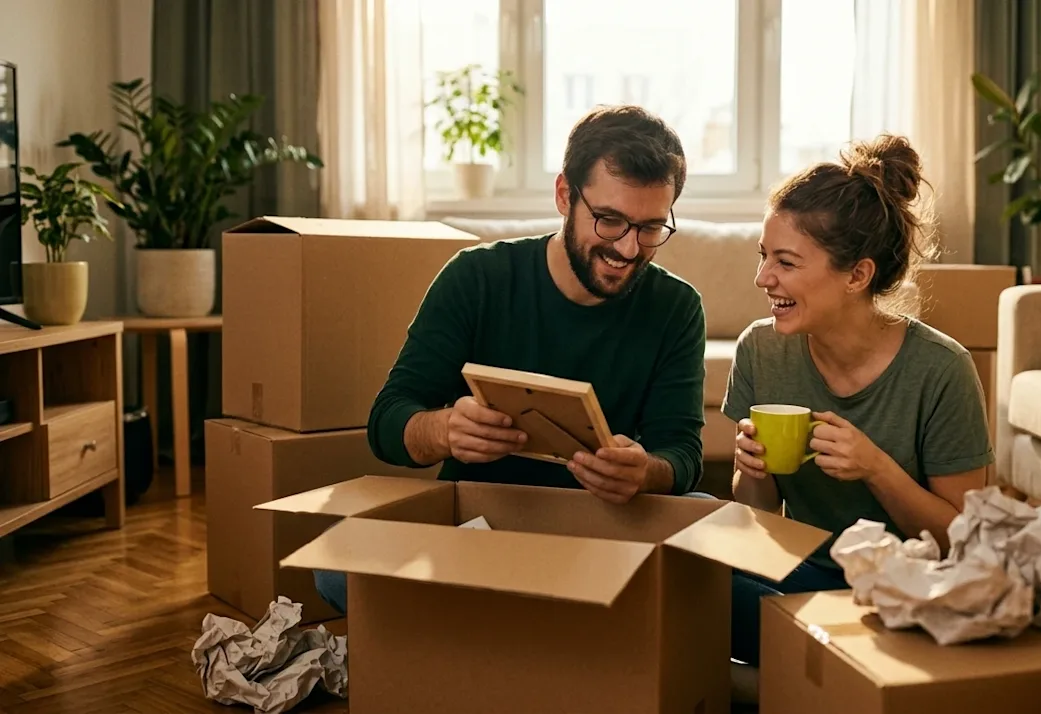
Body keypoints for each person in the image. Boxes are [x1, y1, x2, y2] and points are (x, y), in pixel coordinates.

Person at [313, 105, 708, 614]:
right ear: (565, 195)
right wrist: (444, 429)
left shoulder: (677, 307)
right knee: (335, 567)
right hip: (481, 526)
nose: (629, 249)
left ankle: (502, 625)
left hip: (605, 529)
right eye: (610, 221)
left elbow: (683, 456)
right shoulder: (476, 278)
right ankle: (557, 625)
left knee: (707, 522)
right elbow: (387, 422)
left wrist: (645, 472)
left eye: (651, 228)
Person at [723, 134, 993, 682]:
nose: (763, 278)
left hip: (908, 592)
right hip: (801, 576)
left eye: (786, 262)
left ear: (857, 275)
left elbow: (966, 537)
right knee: (680, 569)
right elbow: (758, 510)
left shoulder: (942, 370)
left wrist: (875, 468)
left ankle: (823, 661)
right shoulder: (761, 348)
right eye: (763, 257)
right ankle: (834, 662)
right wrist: (750, 470)